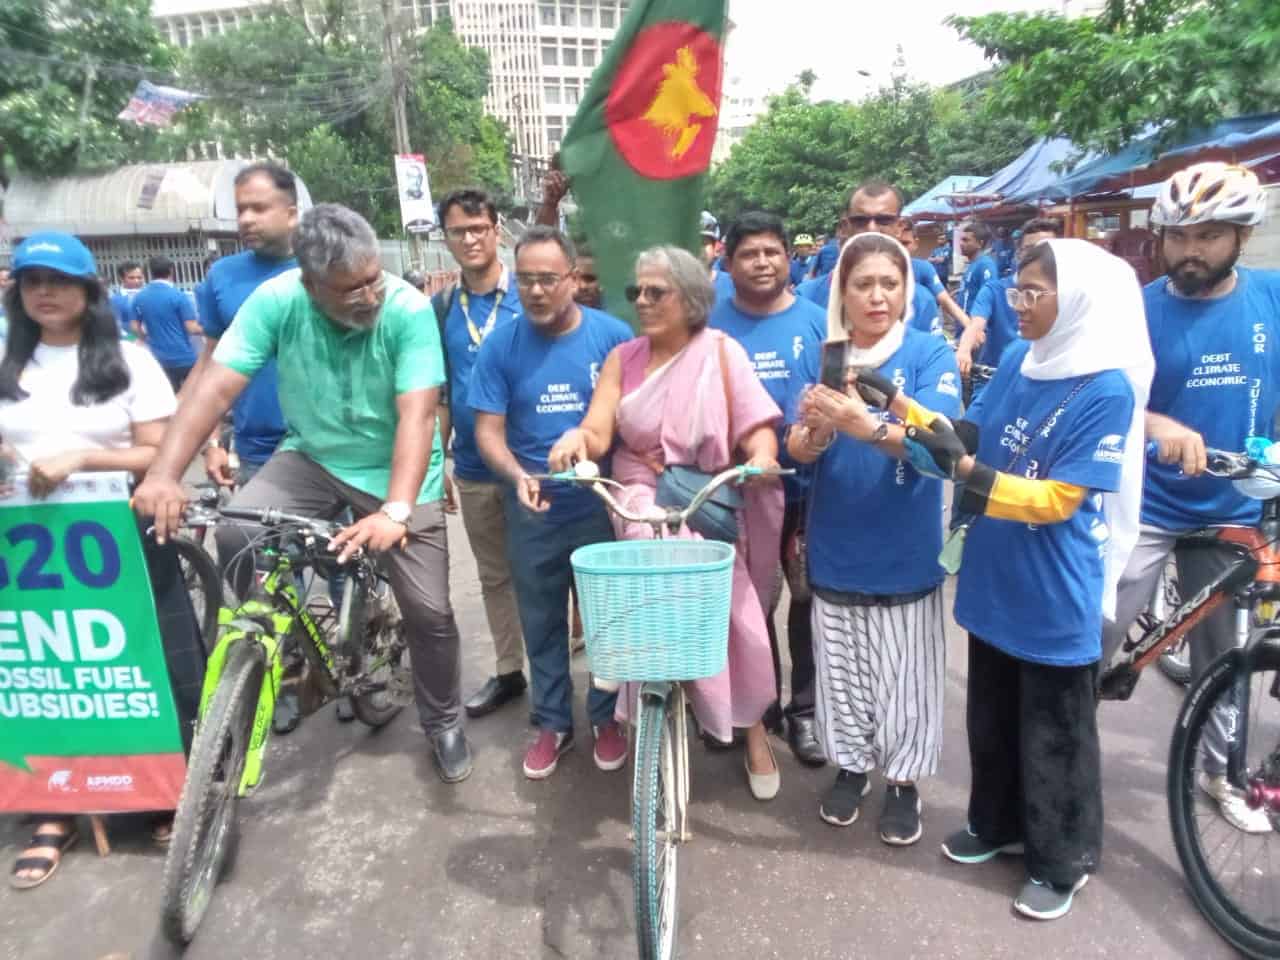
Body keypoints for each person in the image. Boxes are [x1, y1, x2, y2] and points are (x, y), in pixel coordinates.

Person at [132, 203, 474, 785]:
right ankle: (282, 643)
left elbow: (417, 418)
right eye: (350, 289)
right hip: (312, 455)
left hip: (395, 466)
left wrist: (396, 510)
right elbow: (215, 387)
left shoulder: (408, 308)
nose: (369, 296)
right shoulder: (276, 301)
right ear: (310, 283)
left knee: (430, 609)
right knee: (237, 530)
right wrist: (164, 473)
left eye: (373, 280)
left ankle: (443, 720)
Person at [910, 239, 1149, 920]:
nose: (1020, 305)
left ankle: (1060, 859)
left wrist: (966, 474)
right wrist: (906, 411)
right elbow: (973, 432)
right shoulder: (1020, 358)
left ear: (1077, 299)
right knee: (990, 717)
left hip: (1053, 590)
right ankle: (997, 824)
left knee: (1056, 734)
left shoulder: (1107, 389)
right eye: (1017, 291)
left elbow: (1058, 499)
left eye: (1033, 293)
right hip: (994, 577)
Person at [2, 232, 203, 888]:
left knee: (135, 663)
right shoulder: (6, 358)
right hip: (29, 553)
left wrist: (81, 458)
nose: (44, 292)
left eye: (59, 280)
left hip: (120, 539)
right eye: (32, 280)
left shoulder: (129, 360)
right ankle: (54, 809)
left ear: (90, 291)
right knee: (49, 672)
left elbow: (159, 452)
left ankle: (151, 790)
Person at [547, 245, 784, 798]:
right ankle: (637, 666)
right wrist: (576, 439)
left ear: (693, 298)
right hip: (639, 492)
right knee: (644, 531)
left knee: (736, 618)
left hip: (705, 496)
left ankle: (754, 736)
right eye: (636, 292)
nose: (643, 301)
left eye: (657, 291)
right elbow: (598, 429)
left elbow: (758, 428)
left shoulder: (722, 353)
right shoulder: (623, 359)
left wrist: (764, 456)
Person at [1100, 162, 1280, 834]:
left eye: (1207, 236)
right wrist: (1156, 423)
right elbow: (1101, 402)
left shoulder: (1271, 300)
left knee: (1227, 654)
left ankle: (1218, 773)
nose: (1189, 251)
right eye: (1177, 236)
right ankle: (1064, 746)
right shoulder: (1137, 310)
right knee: (1095, 633)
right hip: (1145, 506)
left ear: (1240, 236)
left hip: (1235, 510)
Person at [786, 232, 961, 844]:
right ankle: (852, 768)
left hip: (906, 551)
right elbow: (796, 444)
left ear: (907, 289)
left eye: (890, 283)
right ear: (842, 291)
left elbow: (945, 448)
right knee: (843, 672)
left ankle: (904, 783)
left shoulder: (928, 353)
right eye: (863, 284)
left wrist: (868, 426)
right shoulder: (825, 356)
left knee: (906, 678)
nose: (877, 296)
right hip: (838, 545)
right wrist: (814, 434)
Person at [469, 226, 633, 780]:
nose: (536, 292)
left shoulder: (613, 338)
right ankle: (554, 723)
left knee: (608, 618)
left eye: (548, 279)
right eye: (526, 281)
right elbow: (487, 429)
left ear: (572, 279)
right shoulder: (501, 346)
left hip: (600, 504)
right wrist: (516, 475)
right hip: (532, 505)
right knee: (541, 621)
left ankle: (607, 718)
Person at [710, 212, 827, 766]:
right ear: (727, 262)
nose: (762, 262)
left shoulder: (821, 323)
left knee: (805, 604)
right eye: (749, 253)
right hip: (735, 492)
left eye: (772, 252)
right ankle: (757, 706)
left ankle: (804, 712)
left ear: (789, 257)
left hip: (807, 492)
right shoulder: (707, 323)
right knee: (746, 607)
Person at [432, 188, 528, 720]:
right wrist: (436, 459)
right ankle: (511, 670)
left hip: (530, 467)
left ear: (496, 231)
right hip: (471, 468)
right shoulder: (442, 306)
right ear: (445, 238)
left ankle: (554, 673)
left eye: (479, 228)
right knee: (494, 576)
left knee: (541, 573)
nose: (469, 239)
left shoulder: (529, 294)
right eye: (458, 231)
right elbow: (441, 389)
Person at [797, 181, 956, 339]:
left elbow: (931, 359)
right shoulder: (805, 298)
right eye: (860, 221)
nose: (871, 228)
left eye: (883, 220)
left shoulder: (921, 300)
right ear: (845, 227)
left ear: (900, 228)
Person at [955, 217, 1063, 386]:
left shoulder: (1066, 295)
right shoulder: (994, 290)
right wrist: (964, 349)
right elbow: (976, 323)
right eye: (1031, 249)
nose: (1039, 256)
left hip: (1044, 382)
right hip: (994, 380)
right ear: (1019, 253)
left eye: (1047, 249)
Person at [132, 255, 200, 392]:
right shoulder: (179, 296)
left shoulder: (139, 297)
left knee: (168, 400)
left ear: (149, 273)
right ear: (171, 271)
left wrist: (145, 336)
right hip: (184, 357)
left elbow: (134, 327)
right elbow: (192, 328)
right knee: (191, 398)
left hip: (158, 359)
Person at [900, 218, 969, 333]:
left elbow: (945, 299)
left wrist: (969, 325)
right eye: (896, 242)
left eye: (905, 243)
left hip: (923, 336)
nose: (900, 248)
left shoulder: (923, 268)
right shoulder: (877, 271)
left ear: (916, 243)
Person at [957, 220, 999, 315]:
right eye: (961, 240)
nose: (961, 244)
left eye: (966, 240)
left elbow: (989, 299)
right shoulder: (972, 264)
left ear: (980, 244)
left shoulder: (985, 265)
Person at [108, 261, 145, 337]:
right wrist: (132, 339)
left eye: (139, 277)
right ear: (121, 278)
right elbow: (116, 326)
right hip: (128, 343)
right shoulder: (114, 300)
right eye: (131, 278)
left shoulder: (149, 296)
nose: (136, 281)